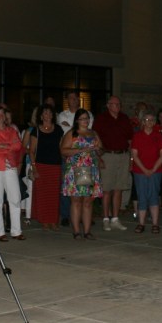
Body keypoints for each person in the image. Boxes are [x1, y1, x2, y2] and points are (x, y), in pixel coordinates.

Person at [60, 108, 103, 239]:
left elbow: (101, 151)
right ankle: (76, 231)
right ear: (77, 120)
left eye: (87, 118)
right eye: (82, 118)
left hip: (90, 169)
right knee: (76, 200)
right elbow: (63, 151)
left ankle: (87, 231)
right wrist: (81, 149)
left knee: (88, 201)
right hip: (76, 169)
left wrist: (98, 149)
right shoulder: (72, 133)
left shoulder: (93, 133)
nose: (85, 121)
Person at [0, 104, 25, 241]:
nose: (1, 116)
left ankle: (16, 231)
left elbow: (18, 145)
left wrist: (2, 145)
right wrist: (8, 146)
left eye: (2, 114)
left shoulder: (11, 130)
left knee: (15, 198)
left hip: (10, 167)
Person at [93, 95, 133, 231]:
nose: (117, 106)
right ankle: (106, 218)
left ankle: (115, 218)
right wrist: (99, 158)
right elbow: (95, 138)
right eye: (115, 104)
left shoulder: (124, 118)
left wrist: (130, 158)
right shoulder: (101, 119)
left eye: (119, 104)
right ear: (108, 105)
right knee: (106, 189)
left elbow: (130, 139)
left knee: (119, 188)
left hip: (123, 155)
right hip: (108, 155)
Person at [25, 104, 63, 230]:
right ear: (41, 116)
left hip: (55, 166)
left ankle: (53, 220)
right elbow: (31, 151)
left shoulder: (58, 129)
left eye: (50, 113)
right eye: (45, 113)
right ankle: (44, 221)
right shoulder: (36, 130)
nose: (48, 115)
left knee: (54, 195)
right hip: (41, 165)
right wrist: (34, 167)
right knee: (43, 195)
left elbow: (61, 148)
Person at [56, 91, 91, 226]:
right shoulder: (62, 115)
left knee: (83, 187)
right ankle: (65, 215)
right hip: (68, 155)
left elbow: (86, 132)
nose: (74, 100)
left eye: (76, 98)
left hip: (84, 158)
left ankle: (81, 215)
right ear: (67, 100)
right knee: (68, 186)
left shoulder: (87, 114)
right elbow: (64, 134)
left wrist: (70, 126)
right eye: (71, 98)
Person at [129, 110, 162, 234]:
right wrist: (144, 170)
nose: (149, 122)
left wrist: (153, 169)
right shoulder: (137, 136)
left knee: (154, 196)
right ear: (143, 122)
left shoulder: (158, 136)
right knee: (142, 197)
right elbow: (134, 155)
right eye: (146, 120)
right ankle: (141, 223)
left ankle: (155, 223)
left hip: (156, 171)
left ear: (154, 122)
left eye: (151, 120)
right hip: (140, 171)